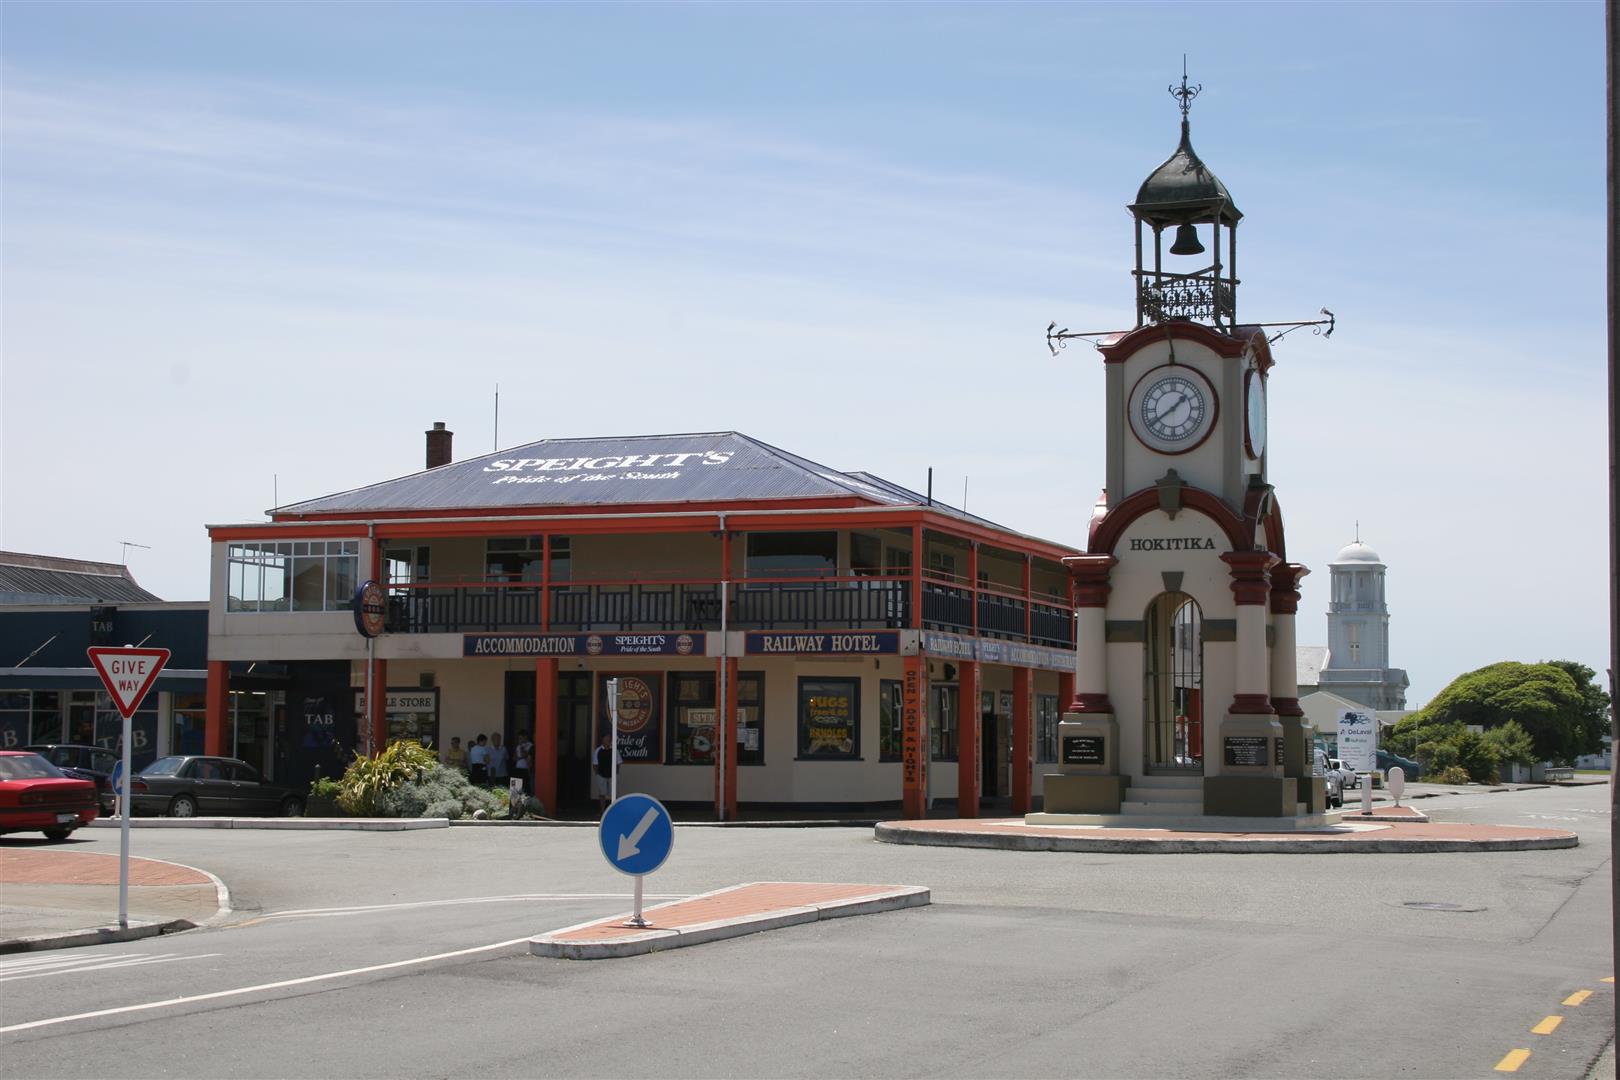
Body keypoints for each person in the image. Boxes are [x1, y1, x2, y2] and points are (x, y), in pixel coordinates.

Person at [592, 733, 620, 813]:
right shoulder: (598, 750)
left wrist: (616, 773)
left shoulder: (614, 750)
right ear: (602, 740)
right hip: (601, 775)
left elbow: (618, 763)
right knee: (602, 793)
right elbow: (595, 764)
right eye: (606, 738)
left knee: (614, 793)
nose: (608, 740)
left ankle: (614, 810)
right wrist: (597, 774)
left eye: (609, 738)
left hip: (612, 776)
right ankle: (602, 810)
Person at [513, 730, 533, 794]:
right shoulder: (518, 746)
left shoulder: (530, 745)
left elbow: (525, 755)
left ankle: (526, 802)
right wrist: (519, 757)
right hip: (518, 768)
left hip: (526, 769)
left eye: (521, 738)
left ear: (525, 737)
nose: (519, 740)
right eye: (519, 738)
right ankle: (515, 803)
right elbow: (514, 758)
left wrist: (521, 747)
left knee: (526, 788)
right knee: (515, 788)